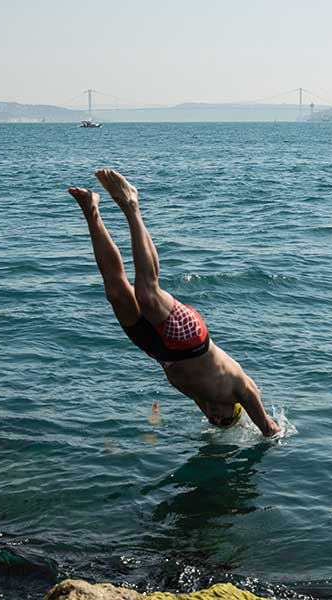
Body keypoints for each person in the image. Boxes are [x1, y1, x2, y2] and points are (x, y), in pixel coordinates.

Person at [68, 170, 281, 437]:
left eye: (215, 422)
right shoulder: (240, 390)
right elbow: (269, 427)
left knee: (116, 291)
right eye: (226, 419)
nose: (216, 418)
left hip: (157, 349)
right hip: (191, 341)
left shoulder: (201, 398)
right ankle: (131, 205)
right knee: (147, 293)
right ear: (236, 409)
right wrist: (269, 432)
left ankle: (91, 209)